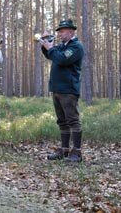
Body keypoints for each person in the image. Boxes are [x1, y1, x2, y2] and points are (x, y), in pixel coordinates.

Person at [39, 19, 84, 163]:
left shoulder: (76, 47)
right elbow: (49, 54)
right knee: (62, 121)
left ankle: (77, 152)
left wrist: (50, 48)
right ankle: (64, 150)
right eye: (58, 31)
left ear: (71, 32)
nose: (59, 34)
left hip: (68, 89)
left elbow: (62, 59)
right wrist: (45, 42)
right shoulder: (62, 46)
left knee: (72, 120)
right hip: (57, 89)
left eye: (62, 31)